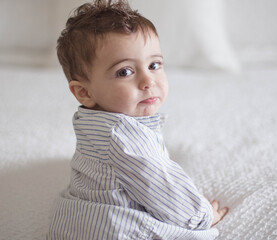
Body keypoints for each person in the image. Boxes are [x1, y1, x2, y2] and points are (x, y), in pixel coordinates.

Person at [47, 0, 228, 239]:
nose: (148, 81)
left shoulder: (91, 122)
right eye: (125, 72)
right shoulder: (124, 134)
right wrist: (203, 214)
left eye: (154, 65)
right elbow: (164, 190)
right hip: (116, 230)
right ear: (85, 92)